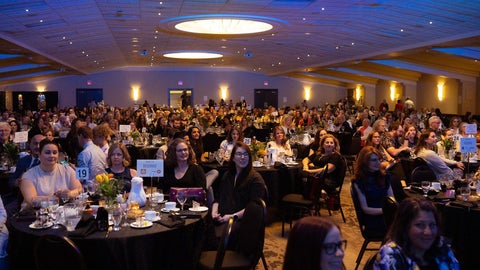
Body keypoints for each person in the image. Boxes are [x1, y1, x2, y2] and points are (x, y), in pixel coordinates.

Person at [374, 197, 459, 269]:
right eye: (420, 225)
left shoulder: (440, 246)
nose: (428, 232)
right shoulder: (391, 256)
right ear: (405, 227)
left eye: (432, 225)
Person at [211, 142, 266, 234]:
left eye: (245, 154)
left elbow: (254, 208)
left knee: (215, 235)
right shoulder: (227, 175)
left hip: (241, 220)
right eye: (239, 154)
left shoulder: (255, 179)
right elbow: (218, 198)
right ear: (233, 158)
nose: (243, 157)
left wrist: (232, 216)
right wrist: (214, 213)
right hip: (222, 217)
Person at [20, 139, 83, 206]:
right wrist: (55, 198)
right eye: (47, 153)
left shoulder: (67, 170)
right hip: (36, 214)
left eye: (55, 152)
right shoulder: (28, 175)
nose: (52, 155)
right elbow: (31, 200)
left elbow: (80, 189)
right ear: (39, 154)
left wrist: (69, 194)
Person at [352, 146, 394, 235]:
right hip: (374, 219)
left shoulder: (384, 176)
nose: (378, 163)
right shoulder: (359, 181)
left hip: (387, 216)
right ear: (364, 162)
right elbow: (366, 209)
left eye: (379, 160)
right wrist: (386, 211)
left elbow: (392, 200)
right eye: (374, 160)